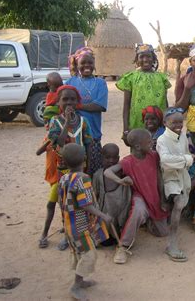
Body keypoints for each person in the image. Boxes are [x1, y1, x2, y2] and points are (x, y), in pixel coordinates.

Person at [104, 129, 169, 264]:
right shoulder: (127, 162)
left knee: (162, 232)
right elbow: (108, 172)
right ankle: (123, 246)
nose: (152, 143)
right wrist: (121, 180)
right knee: (138, 211)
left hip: (154, 196)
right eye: (149, 141)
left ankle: (146, 222)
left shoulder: (153, 156)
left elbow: (159, 177)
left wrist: (162, 198)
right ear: (138, 146)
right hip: (139, 196)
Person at [58, 143, 111, 301]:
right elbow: (85, 204)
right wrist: (103, 215)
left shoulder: (64, 178)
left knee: (79, 253)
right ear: (84, 160)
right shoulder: (83, 179)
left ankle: (80, 281)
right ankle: (75, 286)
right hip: (79, 226)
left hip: (69, 224)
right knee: (88, 254)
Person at [45, 85, 93, 250]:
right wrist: (66, 122)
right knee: (64, 202)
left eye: (73, 99)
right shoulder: (55, 121)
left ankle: (79, 230)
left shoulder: (83, 121)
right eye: (65, 99)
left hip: (81, 170)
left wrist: (89, 167)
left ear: (78, 102)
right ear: (58, 101)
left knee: (81, 201)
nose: (69, 102)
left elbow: (88, 144)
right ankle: (66, 232)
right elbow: (58, 142)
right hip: (63, 171)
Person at [156, 108, 195, 262]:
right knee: (178, 203)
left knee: (180, 205)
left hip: (182, 176)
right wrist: (187, 159)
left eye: (181, 121)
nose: (178, 125)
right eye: (174, 122)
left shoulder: (183, 136)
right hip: (170, 178)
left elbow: (185, 153)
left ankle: (172, 235)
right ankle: (172, 243)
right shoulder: (162, 140)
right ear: (165, 123)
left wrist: (188, 158)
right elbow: (165, 160)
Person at [66, 47, 108, 175]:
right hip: (73, 135)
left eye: (90, 62)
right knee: (74, 172)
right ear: (77, 64)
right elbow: (64, 103)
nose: (87, 66)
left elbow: (99, 106)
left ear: (94, 64)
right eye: (83, 63)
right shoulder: (70, 82)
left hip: (93, 135)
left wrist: (77, 106)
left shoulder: (100, 83)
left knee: (93, 170)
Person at [116, 44, 171, 144]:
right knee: (138, 152)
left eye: (148, 56)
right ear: (137, 60)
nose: (145, 60)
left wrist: (167, 123)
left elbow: (165, 103)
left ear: (153, 58)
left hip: (159, 125)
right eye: (142, 57)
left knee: (159, 152)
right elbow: (126, 105)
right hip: (137, 123)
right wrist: (125, 129)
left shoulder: (162, 78)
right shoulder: (130, 77)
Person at [36, 72, 63, 248]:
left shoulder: (77, 122)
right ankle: (45, 232)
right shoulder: (51, 107)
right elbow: (50, 129)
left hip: (64, 163)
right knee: (54, 197)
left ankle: (65, 229)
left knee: (65, 200)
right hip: (53, 155)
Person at [92, 143, 131, 241]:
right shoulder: (98, 175)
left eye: (114, 158)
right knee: (104, 241)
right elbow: (94, 196)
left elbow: (128, 199)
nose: (111, 161)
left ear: (118, 158)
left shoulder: (123, 175)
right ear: (101, 158)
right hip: (104, 216)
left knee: (119, 236)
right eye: (107, 158)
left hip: (120, 217)